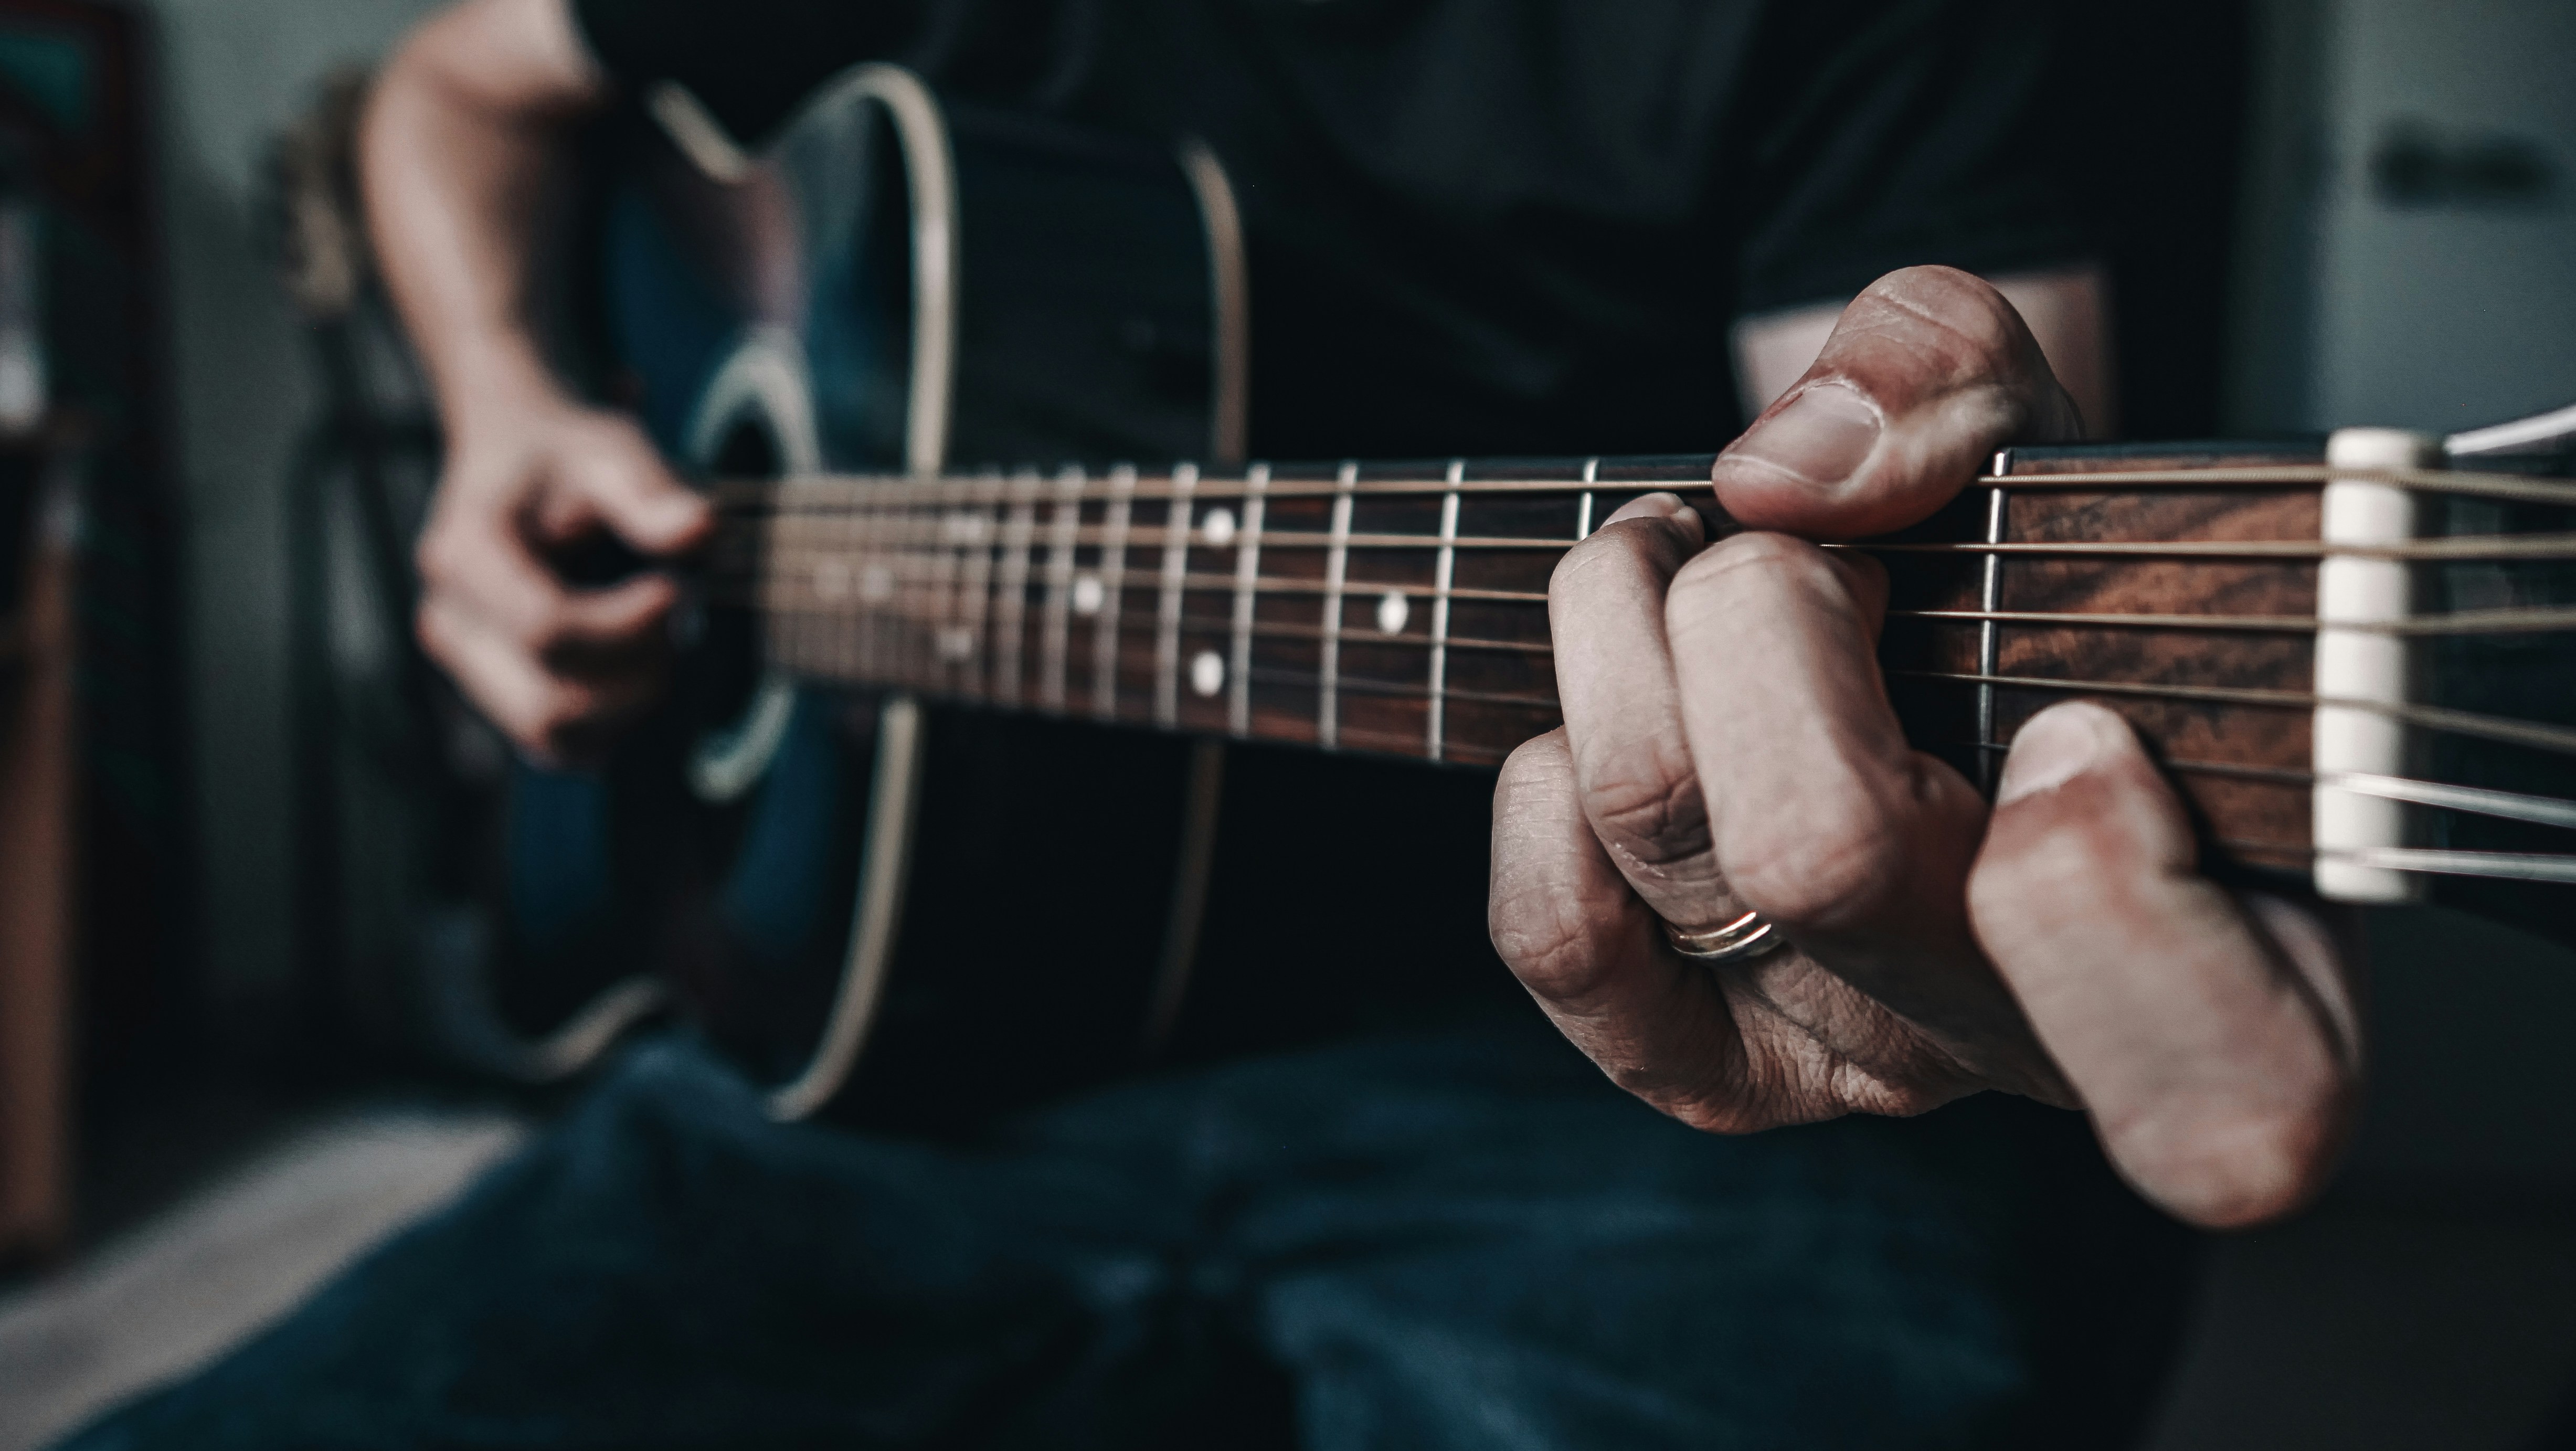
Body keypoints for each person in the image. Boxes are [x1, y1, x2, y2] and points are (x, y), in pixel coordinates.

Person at [61, 2, 2360, 1446]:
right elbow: (460, 83)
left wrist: (1952, 849)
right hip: (893, 1072)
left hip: (1655, 1112)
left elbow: (1966, 575)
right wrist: (503, 414)